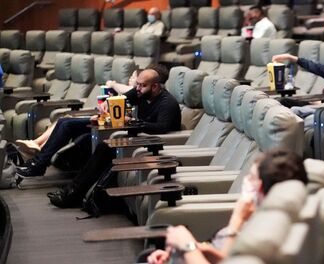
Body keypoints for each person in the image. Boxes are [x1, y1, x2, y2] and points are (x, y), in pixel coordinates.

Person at [146, 148, 308, 264]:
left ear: (258, 187)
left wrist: (187, 246)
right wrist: (187, 253)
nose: (246, 181)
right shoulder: (271, 219)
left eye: (251, 177)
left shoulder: (269, 233)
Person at [15, 65, 180, 178]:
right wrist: (107, 105)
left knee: (79, 133)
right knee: (65, 123)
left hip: (138, 136)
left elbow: (161, 127)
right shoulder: (140, 92)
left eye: (142, 86)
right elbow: (121, 98)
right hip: (124, 127)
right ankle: (39, 164)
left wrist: (132, 122)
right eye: (137, 85)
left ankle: (39, 165)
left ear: (155, 87)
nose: (137, 89)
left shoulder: (168, 103)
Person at [14, 69, 141, 156]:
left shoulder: (136, 92)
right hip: (100, 116)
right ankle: (38, 144)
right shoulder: (128, 92)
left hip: (107, 123)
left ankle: (38, 145)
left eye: (133, 76)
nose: (130, 78)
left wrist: (113, 83)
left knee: (66, 121)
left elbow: (130, 90)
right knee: (64, 118)